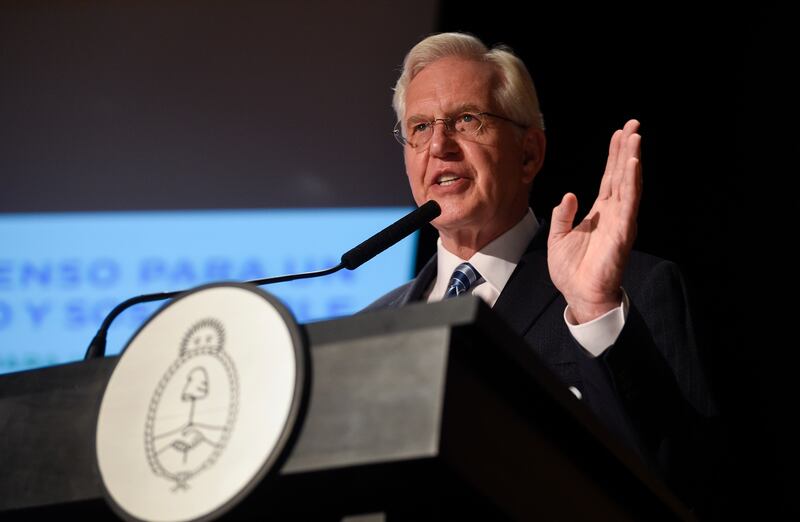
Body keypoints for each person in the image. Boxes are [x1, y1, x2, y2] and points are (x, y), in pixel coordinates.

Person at [366, 32, 720, 515]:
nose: (440, 146)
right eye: (421, 126)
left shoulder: (631, 292)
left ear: (529, 153)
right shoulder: (374, 324)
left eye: (466, 120)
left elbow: (685, 477)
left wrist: (596, 309)